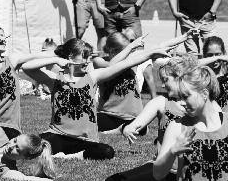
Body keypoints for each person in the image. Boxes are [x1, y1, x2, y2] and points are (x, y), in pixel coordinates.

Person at [22, 38, 170, 160]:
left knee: (106, 152)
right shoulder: (56, 80)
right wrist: (55, 59)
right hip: (58, 134)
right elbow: (27, 67)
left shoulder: (92, 77)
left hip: (85, 141)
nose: (88, 61)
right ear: (69, 57)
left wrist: (151, 53)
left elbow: (127, 63)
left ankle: (68, 157)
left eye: (89, 57)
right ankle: (64, 154)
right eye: (84, 57)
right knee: (30, 146)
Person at [103, 55, 198, 181]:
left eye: (165, 80)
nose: (163, 85)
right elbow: (138, 122)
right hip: (165, 169)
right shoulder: (161, 102)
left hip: (195, 170)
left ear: (180, 77)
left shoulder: (200, 103)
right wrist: (128, 129)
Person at [0, 25, 57, 141]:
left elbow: (40, 55)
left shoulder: (11, 61)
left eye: (5, 36)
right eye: (0, 36)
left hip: (8, 127)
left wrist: (62, 54)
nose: (4, 39)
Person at [0, 127, 67, 181]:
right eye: (15, 140)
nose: (11, 147)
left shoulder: (7, 169)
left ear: (25, 157)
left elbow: (27, 179)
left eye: (17, 149)